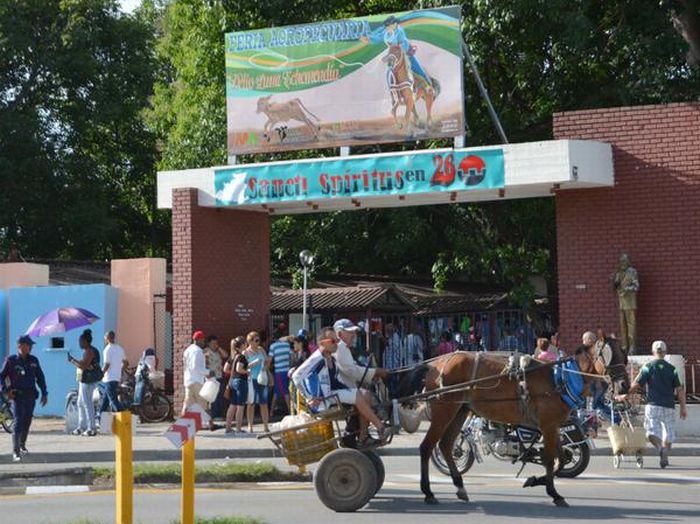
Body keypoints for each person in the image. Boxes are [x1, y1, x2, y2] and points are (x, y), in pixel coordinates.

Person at [293, 327, 388, 446]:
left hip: (331, 394)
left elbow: (334, 382)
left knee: (365, 394)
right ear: (322, 343)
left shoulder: (331, 359)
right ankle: (380, 427)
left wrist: (351, 390)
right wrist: (309, 397)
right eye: (333, 341)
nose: (337, 344)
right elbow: (296, 376)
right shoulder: (317, 358)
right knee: (359, 395)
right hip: (323, 400)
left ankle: (364, 436)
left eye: (337, 340)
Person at [616, 340, 688, 468]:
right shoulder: (672, 369)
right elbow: (680, 389)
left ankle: (660, 448)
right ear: (665, 352)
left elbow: (637, 384)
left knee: (651, 432)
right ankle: (665, 450)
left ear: (653, 352)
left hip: (653, 405)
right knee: (669, 433)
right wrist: (683, 407)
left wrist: (625, 395)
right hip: (669, 405)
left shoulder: (648, 367)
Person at [0, 335, 48, 462]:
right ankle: (15, 452)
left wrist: (44, 393)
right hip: (17, 396)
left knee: (27, 421)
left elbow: (40, 377)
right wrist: (6, 391)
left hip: (30, 396)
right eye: (28, 345)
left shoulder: (34, 360)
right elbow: (1, 377)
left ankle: (22, 445)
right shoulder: (11, 360)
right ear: (20, 346)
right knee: (18, 422)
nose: (30, 347)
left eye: (31, 345)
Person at [68, 329, 102, 436]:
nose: (79, 343)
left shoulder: (89, 351)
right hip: (84, 380)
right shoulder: (89, 351)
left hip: (88, 381)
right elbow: (84, 363)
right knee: (80, 403)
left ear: (86, 341)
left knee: (87, 404)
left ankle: (91, 428)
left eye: (81, 341)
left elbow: (84, 365)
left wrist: (72, 361)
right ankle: (81, 426)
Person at [611, 253, 639, 355]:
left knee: (631, 325)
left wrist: (626, 289)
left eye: (624, 261)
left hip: (630, 302)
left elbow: (636, 286)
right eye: (621, 261)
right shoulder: (618, 273)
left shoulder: (632, 272)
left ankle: (632, 347)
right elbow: (615, 287)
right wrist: (613, 280)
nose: (622, 263)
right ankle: (624, 346)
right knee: (623, 326)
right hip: (621, 303)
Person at [244, 331, 271, 433]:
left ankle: (266, 425)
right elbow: (243, 366)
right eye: (256, 340)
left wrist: (265, 367)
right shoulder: (246, 352)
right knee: (251, 403)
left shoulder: (261, 350)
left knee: (263, 403)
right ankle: (250, 425)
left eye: (258, 340)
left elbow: (268, 361)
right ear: (250, 341)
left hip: (262, 379)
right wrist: (254, 363)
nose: (258, 342)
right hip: (252, 379)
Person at [98, 331, 127, 424]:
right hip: (116, 378)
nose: (104, 340)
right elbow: (126, 363)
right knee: (105, 400)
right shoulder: (120, 349)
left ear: (107, 338)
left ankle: (124, 419)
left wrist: (101, 374)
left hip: (109, 378)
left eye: (105, 338)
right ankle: (100, 419)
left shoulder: (107, 349)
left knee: (113, 400)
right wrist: (120, 371)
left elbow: (107, 364)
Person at [182, 330, 212, 417]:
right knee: (203, 403)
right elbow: (197, 368)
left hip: (188, 380)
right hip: (197, 381)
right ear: (198, 340)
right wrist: (209, 372)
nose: (203, 342)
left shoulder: (187, 350)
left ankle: (182, 422)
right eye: (202, 340)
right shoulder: (198, 351)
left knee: (187, 403)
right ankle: (209, 424)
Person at [224, 337, 248, 433]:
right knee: (240, 406)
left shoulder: (233, 356)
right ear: (241, 346)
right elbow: (239, 369)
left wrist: (233, 373)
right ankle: (238, 428)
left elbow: (225, 369)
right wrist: (247, 371)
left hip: (233, 381)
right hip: (241, 382)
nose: (246, 345)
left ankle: (228, 427)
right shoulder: (241, 357)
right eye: (244, 344)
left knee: (233, 405)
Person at [204, 335, 227, 423]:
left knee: (220, 395)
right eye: (213, 343)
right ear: (208, 343)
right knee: (213, 397)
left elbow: (225, 355)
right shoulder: (205, 352)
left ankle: (219, 414)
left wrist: (219, 348)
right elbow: (204, 364)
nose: (214, 345)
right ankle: (214, 415)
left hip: (219, 375)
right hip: (211, 377)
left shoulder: (218, 352)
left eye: (216, 343)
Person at [269, 334, 292, 414]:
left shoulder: (273, 346)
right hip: (288, 371)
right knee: (286, 391)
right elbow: (291, 357)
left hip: (278, 372)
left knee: (278, 392)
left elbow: (269, 360)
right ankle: (290, 411)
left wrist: (268, 371)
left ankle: (271, 412)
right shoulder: (287, 345)